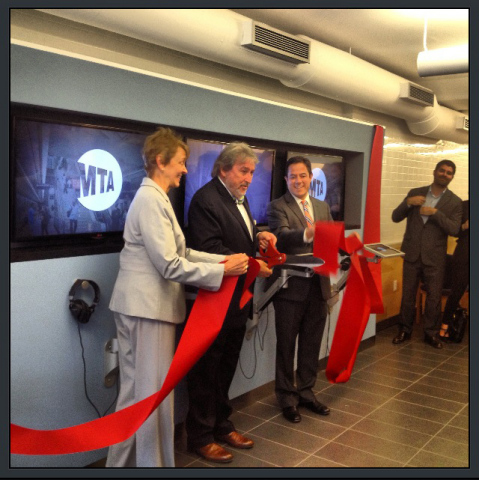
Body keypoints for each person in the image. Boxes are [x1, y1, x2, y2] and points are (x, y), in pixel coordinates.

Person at [106, 128, 249, 468]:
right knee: (151, 396)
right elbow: (170, 265)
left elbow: (183, 251)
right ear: (161, 161)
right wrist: (222, 273)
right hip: (146, 310)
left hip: (145, 308)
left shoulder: (158, 199)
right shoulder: (150, 200)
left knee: (136, 396)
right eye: (181, 162)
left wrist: (222, 261)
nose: (185, 170)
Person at [185, 142, 276, 463]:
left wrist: (259, 237)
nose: (249, 178)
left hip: (237, 302)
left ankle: (222, 425)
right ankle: (199, 435)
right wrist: (253, 263)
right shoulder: (205, 200)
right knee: (206, 370)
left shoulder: (239, 198)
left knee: (226, 367)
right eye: (243, 171)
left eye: (251, 171)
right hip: (212, 303)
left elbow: (237, 238)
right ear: (224, 169)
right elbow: (210, 249)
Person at [266, 156, 331, 424]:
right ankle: (287, 398)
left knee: (311, 343)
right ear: (286, 180)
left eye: (302, 176)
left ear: (310, 177)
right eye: (293, 176)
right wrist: (307, 233)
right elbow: (280, 236)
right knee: (286, 346)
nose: (298, 181)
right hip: (290, 288)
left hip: (318, 285)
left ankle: (306, 392)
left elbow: (327, 242)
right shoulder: (276, 206)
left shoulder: (322, 206)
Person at [391, 159, 462, 349]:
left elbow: (455, 229)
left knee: (433, 297)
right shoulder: (416, 193)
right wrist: (407, 203)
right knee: (407, 295)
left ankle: (430, 333)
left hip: (435, 257)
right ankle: (404, 330)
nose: (445, 174)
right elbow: (395, 216)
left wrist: (435, 213)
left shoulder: (454, 202)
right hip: (412, 253)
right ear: (435, 171)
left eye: (449, 172)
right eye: (442, 170)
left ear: (452, 177)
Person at [439, 199, 469, 341]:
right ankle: (444, 326)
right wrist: (464, 226)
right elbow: (453, 230)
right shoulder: (463, 206)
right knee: (456, 291)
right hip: (464, 254)